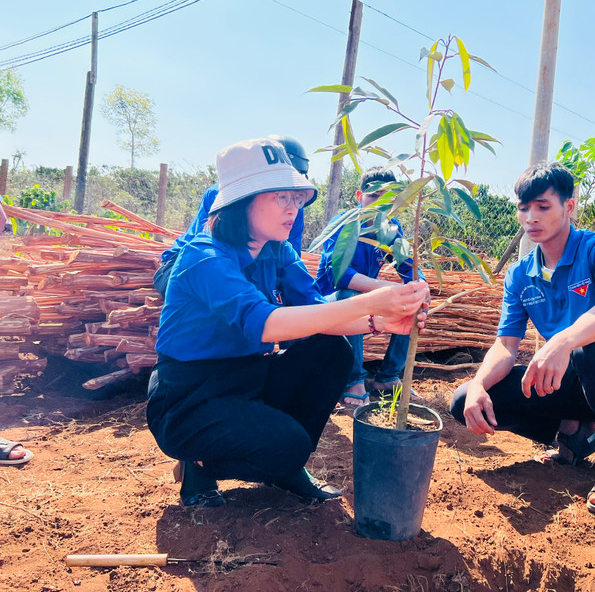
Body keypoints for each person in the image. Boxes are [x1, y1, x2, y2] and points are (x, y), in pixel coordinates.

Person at [146, 137, 429, 508]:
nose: (293, 208)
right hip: (189, 399)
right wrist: (374, 299)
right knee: (288, 445)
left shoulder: (277, 250)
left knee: (331, 353)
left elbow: (316, 309)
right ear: (242, 200)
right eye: (281, 196)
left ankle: (285, 466)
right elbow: (265, 324)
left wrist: (380, 322)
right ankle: (200, 463)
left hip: (247, 379)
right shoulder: (204, 256)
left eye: (296, 198)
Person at [450, 163, 595, 517]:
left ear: (569, 207)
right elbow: (506, 345)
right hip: (572, 380)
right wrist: (479, 385)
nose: (531, 217)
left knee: (588, 348)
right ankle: (574, 433)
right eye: (523, 207)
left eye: (543, 207)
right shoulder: (520, 274)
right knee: (463, 400)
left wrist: (561, 341)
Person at [315, 167, 426, 409]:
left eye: (387, 198)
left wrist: (420, 287)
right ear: (359, 197)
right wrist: (385, 288)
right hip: (325, 304)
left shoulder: (391, 230)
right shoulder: (344, 224)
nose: (379, 204)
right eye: (373, 196)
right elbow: (340, 276)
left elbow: (409, 268)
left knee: (412, 300)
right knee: (350, 295)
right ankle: (353, 380)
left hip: (368, 298)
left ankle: (388, 377)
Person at [152, 135, 312, 299]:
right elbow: (214, 248)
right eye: (281, 194)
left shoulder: (294, 211)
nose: (292, 202)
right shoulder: (223, 197)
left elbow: (289, 265)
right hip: (183, 266)